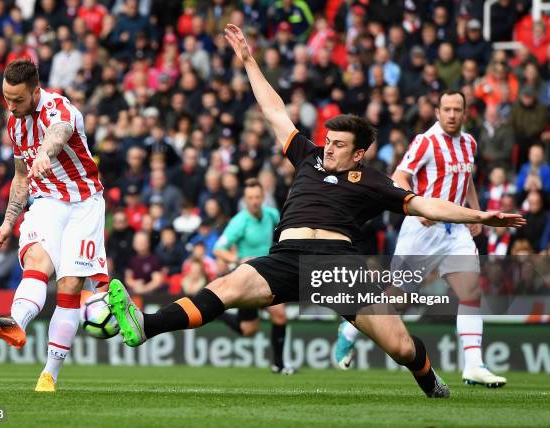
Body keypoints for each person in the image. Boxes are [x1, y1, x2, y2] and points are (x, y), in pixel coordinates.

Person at [107, 25, 524, 398]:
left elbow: (422, 204)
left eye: (339, 144)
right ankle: (146, 325)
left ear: (359, 153)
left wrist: (479, 216)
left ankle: (430, 380)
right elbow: (274, 111)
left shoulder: (373, 180)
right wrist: (250, 62)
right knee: (226, 288)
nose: (328, 146)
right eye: (328, 139)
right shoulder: (308, 156)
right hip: (285, 258)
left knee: (400, 347)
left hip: (338, 266)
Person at [336, 90, 508, 388]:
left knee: (470, 291)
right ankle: (349, 331)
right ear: (438, 112)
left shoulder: (469, 142)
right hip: (423, 230)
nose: (452, 114)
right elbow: (400, 177)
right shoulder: (426, 141)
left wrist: (476, 212)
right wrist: (416, 209)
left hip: (455, 231)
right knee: (398, 300)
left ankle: (474, 365)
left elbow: (464, 178)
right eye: (447, 109)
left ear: (464, 113)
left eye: (457, 109)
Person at [0, 60, 108, 392]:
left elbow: (59, 132)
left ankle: (49, 374)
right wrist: (8, 222)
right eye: (6, 98)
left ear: (36, 91)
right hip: (47, 200)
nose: (11, 105)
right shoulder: (14, 122)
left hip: (84, 203)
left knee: (69, 287)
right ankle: (15, 324)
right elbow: (21, 176)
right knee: (36, 261)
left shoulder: (59, 107)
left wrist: (45, 153)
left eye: (18, 99)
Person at [213, 178, 293, 375]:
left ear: (263, 197)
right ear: (245, 199)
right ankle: (220, 313)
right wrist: (238, 259)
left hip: (269, 275)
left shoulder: (271, 215)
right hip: (247, 278)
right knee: (248, 330)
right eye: (251, 198)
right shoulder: (239, 222)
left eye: (258, 197)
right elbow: (218, 249)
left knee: (280, 315)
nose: (255, 201)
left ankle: (279, 364)